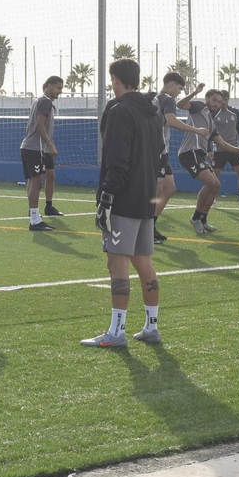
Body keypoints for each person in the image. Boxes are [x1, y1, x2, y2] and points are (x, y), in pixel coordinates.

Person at [83, 57, 163, 348]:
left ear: (115, 79)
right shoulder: (152, 113)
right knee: (143, 262)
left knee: (116, 263)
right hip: (145, 198)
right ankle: (151, 326)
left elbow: (117, 160)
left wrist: (106, 198)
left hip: (123, 199)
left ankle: (117, 332)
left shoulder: (118, 110)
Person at [176, 88, 239, 235]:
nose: (217, 103)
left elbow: (223, 145)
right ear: (207, 99)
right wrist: (194, 92)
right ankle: (196, 218)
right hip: (188, 153)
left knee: (216, 185)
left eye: (219, 101)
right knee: (211, 183)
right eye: (214, 100)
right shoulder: (199, 107)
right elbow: (180, 104)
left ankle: (203, 219)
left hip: (198, 155)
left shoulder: (211, 122)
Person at [150, 72, 206, 243]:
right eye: (180, 89)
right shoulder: (167, 99)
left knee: (169, 188)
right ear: (171, 85)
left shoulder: (156, 97)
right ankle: (143, 230)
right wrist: (196, 130)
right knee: (156, 190)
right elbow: (172, 121)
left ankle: (150, 225)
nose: (179, 93)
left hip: (161, 151)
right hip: (157, 151)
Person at [21, 76, 64, 231]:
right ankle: (34, 219)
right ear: (48, 85)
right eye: (58, 87)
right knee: (36, 183)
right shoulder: (45, 101)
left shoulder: (41, 101)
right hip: (35, 147)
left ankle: (37, 213)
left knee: (40, 180)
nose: (60, 91)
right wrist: (51, 145)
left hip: (35, 148)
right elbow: (39, 126)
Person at [209, 89, 239, 209]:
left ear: (228, 100)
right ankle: (213, 199)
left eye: (225, 100)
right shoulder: (213, 113)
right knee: (215, 176)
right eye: (221, 100)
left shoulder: (235, 112)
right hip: (218, 150)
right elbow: (209, 131)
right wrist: (209, 148)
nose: (223, 102)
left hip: (234, 148)